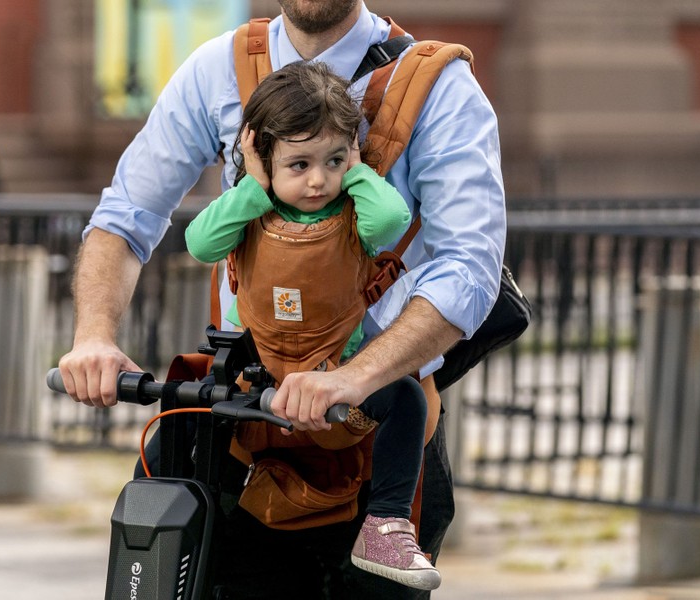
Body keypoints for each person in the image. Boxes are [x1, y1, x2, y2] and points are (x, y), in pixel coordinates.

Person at [58, 1, 506, 598]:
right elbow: (126, 214)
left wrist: (355, 377)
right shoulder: (217, 69)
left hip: (372, 439)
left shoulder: (438, 88)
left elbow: (470, 267)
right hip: (239, 428)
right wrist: (93, 334)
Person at [184, 61, 439, 591]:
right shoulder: (248, 209)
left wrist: (359, 166)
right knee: (185, 425)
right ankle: (192, 524)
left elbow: (391, 220)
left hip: (336, 375)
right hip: (258, 379)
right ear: (263, 158)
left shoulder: (355, 213)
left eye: (332, 161)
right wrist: (253, 185)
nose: (319, 180)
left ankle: (385, 525)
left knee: (408, 401)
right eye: (298, 164)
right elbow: (200, 243)